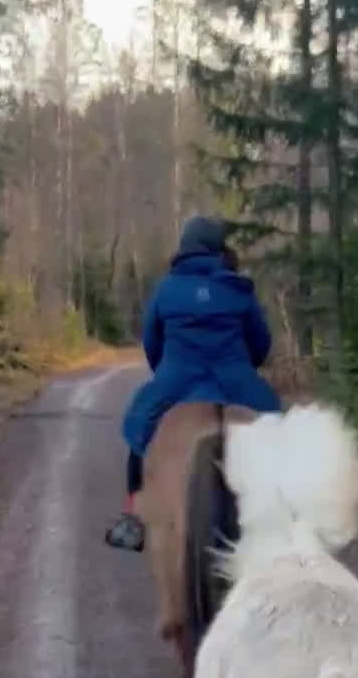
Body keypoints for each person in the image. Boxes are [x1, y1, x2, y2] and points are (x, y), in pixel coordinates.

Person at [110, 216, 281, 552]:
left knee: (138, 429)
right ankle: (285, 515)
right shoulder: (238, 288)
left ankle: (133, 518)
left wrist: (165, 372)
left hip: (177, 378)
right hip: (235, 380)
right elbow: (260, 344)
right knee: (278, 427)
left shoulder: (167, 287)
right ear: (218, 248)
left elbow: (152, 343)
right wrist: (244, 369)